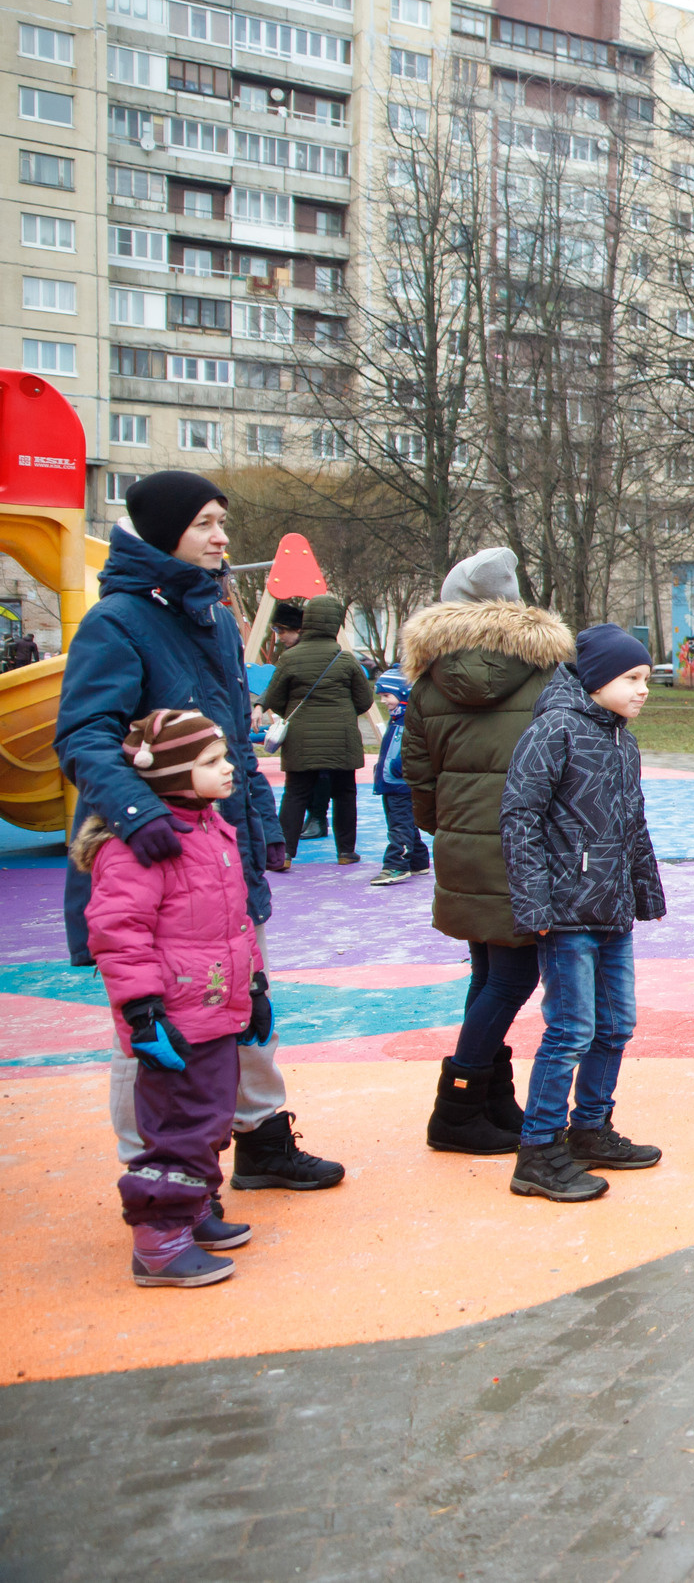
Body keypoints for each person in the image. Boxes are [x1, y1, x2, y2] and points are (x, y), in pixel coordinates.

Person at [55, 468, 344, 1193]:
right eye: (205, 524)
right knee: (154, 1018)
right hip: (151, 857)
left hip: (221, 853)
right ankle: (156, 1172)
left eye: (223, 522)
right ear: (164, 534)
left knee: (245, 998)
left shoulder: (211, 615)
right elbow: (85, 735)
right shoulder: (117, 621)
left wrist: (259, 829)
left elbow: (235, 742)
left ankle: (262, 1138)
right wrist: (139, 814)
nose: (221, 537)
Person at [78, 710, 269, 1285]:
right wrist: (141, 1012)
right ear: (170, 775)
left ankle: (190, 1212)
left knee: (209, 1119)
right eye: (211, 762)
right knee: (178, 1127)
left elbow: (234, 922)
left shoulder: (212, 829)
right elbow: (118, 933)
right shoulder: (141, 847)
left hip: (217, 1008)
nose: (229, 768)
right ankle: (159, 1242)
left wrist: (255, 985)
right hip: (176, 1015)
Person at [404, 547, 576, 1154]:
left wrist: (445, 829)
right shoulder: (547, 673)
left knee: (489, 971)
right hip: (526, 845)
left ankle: (488, 1096)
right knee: (513, 976)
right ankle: (455, 1107)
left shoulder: (428, 679)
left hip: (463, 844)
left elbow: (417, 775)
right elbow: (566, 764)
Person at [498, 626, 666, 1202]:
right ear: (596, 680)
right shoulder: (554, 731)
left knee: (616, 1025)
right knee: (571, 1029)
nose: (644, 690)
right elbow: (520, 818)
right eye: (632, 679)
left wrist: (645, 892)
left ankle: (590, 1128)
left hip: (611, 910)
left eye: (646, 679)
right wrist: (534, 902)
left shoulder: (623, 740)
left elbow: (633, 824)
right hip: (567, 913)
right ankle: (538, 1151)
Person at [260, 594, 375, 868]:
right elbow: (364, 701)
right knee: (345, 793)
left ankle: (285, 853)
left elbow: (274, 699)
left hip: (301, 738)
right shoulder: (346, 660)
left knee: (296, 792)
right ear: (336, 623)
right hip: (341, 738)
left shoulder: (290, 659)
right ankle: (346, 851)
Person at [369, 665, 431, 888]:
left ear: (404, 694)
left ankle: (397, 864)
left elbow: (413, 749)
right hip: (391, 782)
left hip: (400, 783)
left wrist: (398, 766)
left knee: (399, 824)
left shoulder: (409, 721)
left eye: (387, 695)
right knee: (405, 822)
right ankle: (418, 860)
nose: (384, 701)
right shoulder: (396, 719)